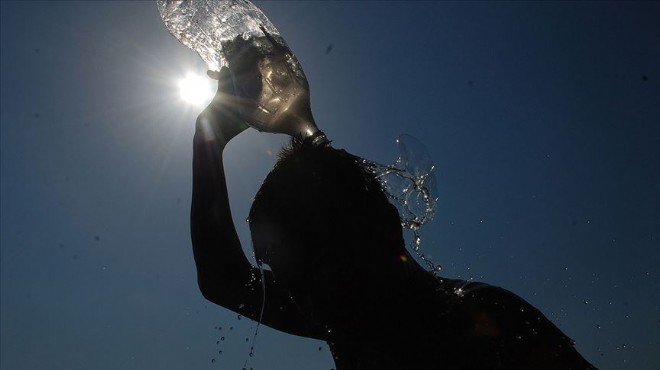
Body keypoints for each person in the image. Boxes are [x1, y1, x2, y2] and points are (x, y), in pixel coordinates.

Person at [191, 61, 595, 369]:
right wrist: (207, 135)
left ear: (378, 232)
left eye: (300, 270)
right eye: (280, 271)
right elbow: (225, 282)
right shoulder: (347, 316)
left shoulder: (489, 321)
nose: (293, 294)